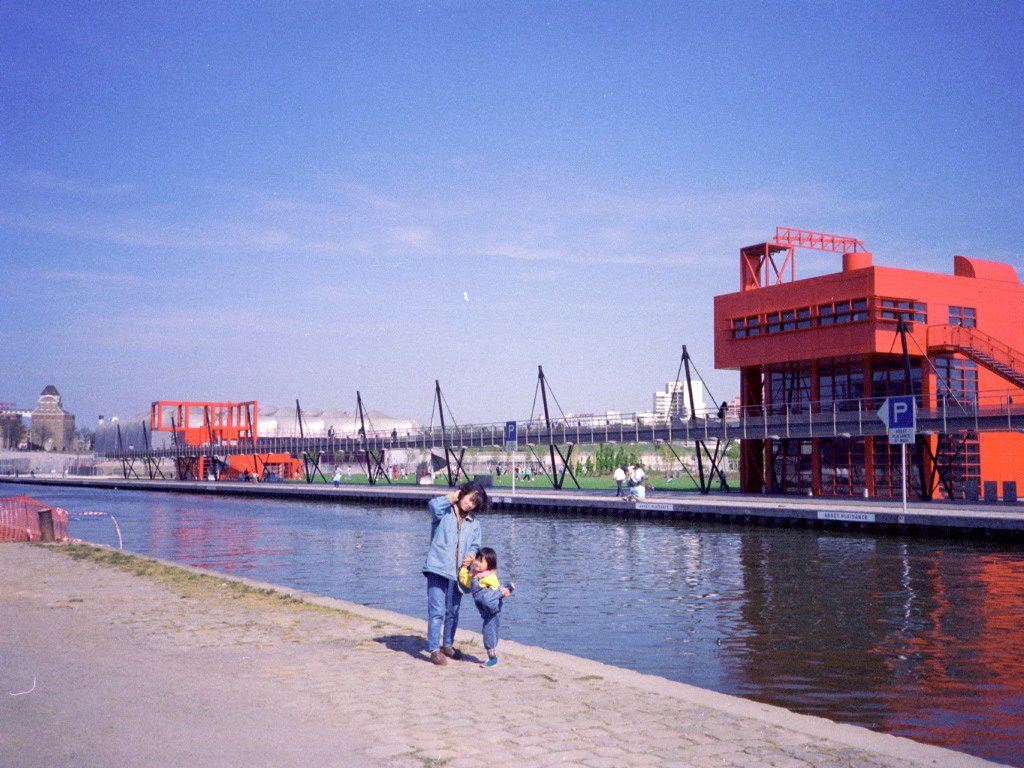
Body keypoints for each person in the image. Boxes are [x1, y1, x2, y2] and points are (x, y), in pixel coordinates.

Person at [422, 481, 489, 665]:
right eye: (469, 499)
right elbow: (432, 506)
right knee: (436, 611)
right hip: (437, 567)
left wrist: (470, 555)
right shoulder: (443, 512)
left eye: (474, 503)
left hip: (459, 572)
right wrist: (451, 497)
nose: (470, 504)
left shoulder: (474, 524)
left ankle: (448, 645)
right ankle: (434, 649)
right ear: (462, 493)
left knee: (453, 611)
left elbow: (475, 544)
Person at [458, 546, 514, 667]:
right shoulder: (473, 576)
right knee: (488, 630)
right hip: (484, 610)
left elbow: (496, 590)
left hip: (492, 609)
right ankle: (491, 656)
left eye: (481, 561)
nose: (477, 562)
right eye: (477, 559)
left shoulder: (490, 577)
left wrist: (503, 592)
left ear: (489, 565)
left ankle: (492, 658)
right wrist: (463, 568)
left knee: (489, 631)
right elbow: (464, 580)